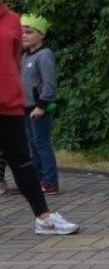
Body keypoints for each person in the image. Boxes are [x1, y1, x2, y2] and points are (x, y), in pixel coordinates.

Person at [0, 0, 75, 234]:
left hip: (8, 103)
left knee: (22, 161)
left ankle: (43, 218)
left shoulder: (12, 19)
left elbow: (13, 63)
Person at [20, 14, 58, 195]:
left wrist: (41, 105)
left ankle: (50, 181)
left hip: (39, 108)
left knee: (42, 144)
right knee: (32, 145)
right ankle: (36, 179)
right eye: (22, 31)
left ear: (41, 35)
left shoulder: (44, 55)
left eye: (29, 32)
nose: (24, 35)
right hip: (26, 108)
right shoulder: (25, 56)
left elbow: (49, 83)